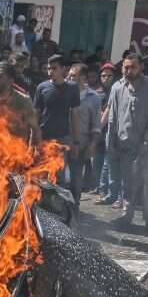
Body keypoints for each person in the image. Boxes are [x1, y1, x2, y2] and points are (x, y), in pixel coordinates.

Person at [106, 54, 148, 233]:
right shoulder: (117, 87)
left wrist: (146, 140)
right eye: (125, 67)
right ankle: (126, 217)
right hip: (126, 145)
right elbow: (112, 117)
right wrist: (111, 143)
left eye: (132, 67)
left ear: (141, 67)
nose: (127, 70)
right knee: (127, 184)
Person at [34, 55, 80, 188]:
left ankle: (56, 207)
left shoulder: (72, 88)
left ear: (63, 69)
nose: (50, 72)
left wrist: (76, 141)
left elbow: (75, 115)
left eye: (54, 68)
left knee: (58, 177)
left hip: (62, 138)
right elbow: (36, 114)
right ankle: (38, 206)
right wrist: (33, 140)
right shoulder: (41, 87)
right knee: (40, 174)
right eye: (49, 68)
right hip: (44, 137)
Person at [67, 63, 102, 203]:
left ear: (83, 78)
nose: (69, 78)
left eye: (73, 76)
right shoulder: (64, 92)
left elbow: (96, 124)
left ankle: (74, 209)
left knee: (76, 179)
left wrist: (92, 144)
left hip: (81, 144)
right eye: (69, 75)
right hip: (62, 142)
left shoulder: (94, 97)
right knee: (60, 179)